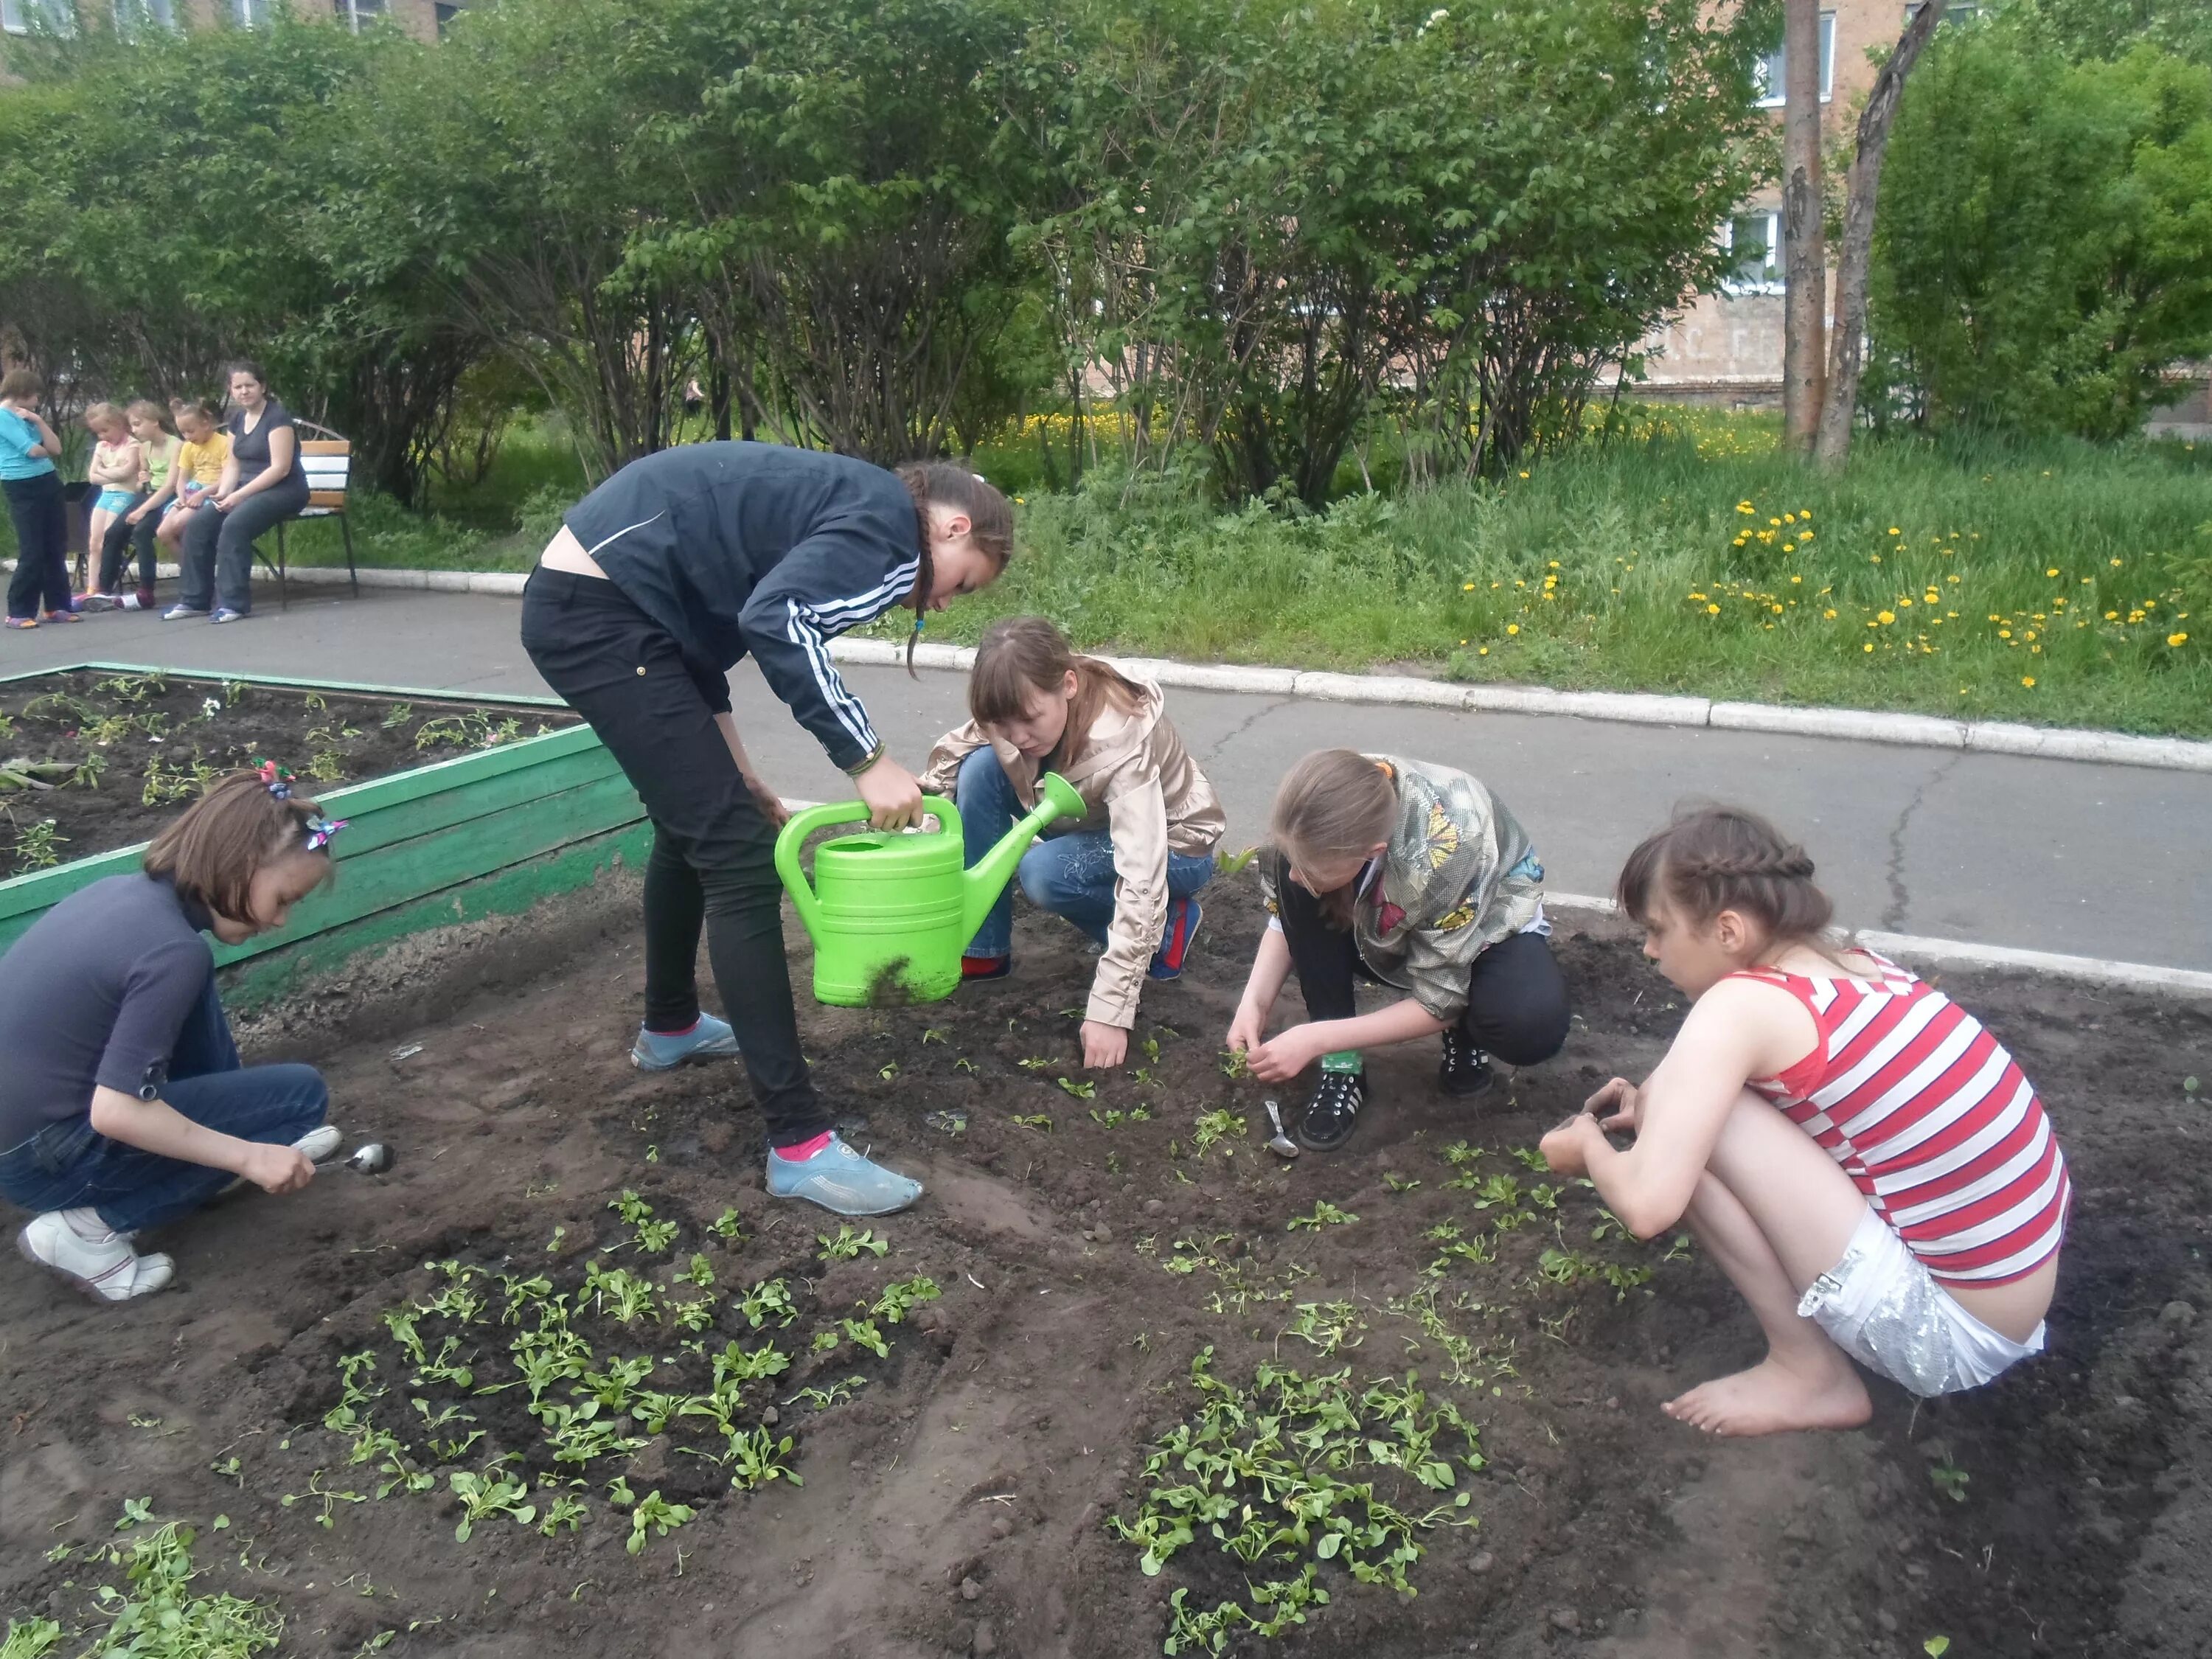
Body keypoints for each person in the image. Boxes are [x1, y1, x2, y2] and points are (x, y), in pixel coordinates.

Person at [520, 442, 1011, 1217]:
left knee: (706, 823)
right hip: (603, 613)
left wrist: (738, 768)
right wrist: (868, 760)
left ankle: (673, 1024)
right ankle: (800, 1145)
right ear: (952, 528)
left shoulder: (842, 508)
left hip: (623, 612)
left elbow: (710, 636)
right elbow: (779, 621)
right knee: (742, 860)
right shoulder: (891, 527)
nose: (941, 603)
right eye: (963, 582)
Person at [1539, 806, 2070, 1436]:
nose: (1651, 951)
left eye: (1657, 930)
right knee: (1688, 1113)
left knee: (1702, 1131)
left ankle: (1808, 1374)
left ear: (1729, 929)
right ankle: (1812, 1363)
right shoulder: (1855, 967)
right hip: (2011, 1289)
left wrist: (1588, 1149)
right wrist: (1657, 1107)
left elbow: (1648, 1206)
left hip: (1947, 1335)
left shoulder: (1741, 1005)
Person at [0, 767, 347, 1302]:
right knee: (301, 1098)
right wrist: (248, 1156)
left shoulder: (127, 899)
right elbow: (115, 1112)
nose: (281, 921)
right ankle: (87, 1231)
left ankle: (230, 1141)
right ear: (240, 866)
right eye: (283, 899)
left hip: (27, 1135)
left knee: (195, 978)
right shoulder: (171, 952)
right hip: (45, 1156)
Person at [1227, 748, 1569, 1151]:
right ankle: (1343, 1066)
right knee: (1297, 885)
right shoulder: (1315, 813)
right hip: (1399, 912)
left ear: (1372, 851)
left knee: (1529, 1025)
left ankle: (1467, 1031)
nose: (1295, 877)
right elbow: (1287, 917)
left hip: (1486, 920)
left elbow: (1438, 1000)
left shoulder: (1447, 849)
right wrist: (1254, 1002)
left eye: (1312, 871)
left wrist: (1316, 1039)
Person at [922, 616, 1222, 1068]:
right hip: (1086, 821)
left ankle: (1167, 933)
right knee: (981, 770)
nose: (1018, 737)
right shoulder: (1020, 705)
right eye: (1003, 723)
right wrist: (916, 826)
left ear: (1068, 684)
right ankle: (983, 949)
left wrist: (1111, 1011)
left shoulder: (1121, 743)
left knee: (1044, 873)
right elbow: (954, 758)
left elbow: (1141, 872)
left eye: (1028, 720)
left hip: (1176, 843)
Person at [167, 363, 309, 624]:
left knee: (234, 525)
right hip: (245, 488)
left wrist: (239, 496)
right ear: (231, 391)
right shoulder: (237, 419)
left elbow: (280, 468)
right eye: (238, 387)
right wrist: (224, 494)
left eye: (250, 385)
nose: (244, 391)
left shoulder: (278, 418)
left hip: (284, 490)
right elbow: (233, 464)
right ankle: (194, 600)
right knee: (199, 523)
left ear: (262, 387)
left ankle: (233, 604)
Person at [87, 400, 181, 612]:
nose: (135, 430)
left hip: (169, 496)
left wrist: (142, 510)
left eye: (138, 424)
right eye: (133, 425)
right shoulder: (144, 447)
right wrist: (142, 479)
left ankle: (146, 591)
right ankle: (104, 589)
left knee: (141, 532)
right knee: (113, 532)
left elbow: (169, 486)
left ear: (155, 422)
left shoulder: (175, 445)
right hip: (148, 495)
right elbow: (143, 482)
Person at [1, 369, 77, 630]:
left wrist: (39, 421)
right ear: (22, 393)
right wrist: (45, 450)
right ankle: (19, 611)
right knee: (32, 549)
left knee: (55, 545)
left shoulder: (29, 417)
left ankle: (57, 606)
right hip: (22, 485)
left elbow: (56, 448)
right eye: (35, 396)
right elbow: (32, 450)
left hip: (48, 480)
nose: (37, 400)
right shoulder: (3, 416)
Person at [147, 400, 231, 571]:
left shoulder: (224, 443)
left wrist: (202, 494)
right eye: (183, 433)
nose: (187, 436)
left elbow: (228, 477)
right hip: (192, 491)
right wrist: (181, 496)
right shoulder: (188, 447)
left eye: (191, 431)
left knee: (178, 524)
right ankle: (191, 572)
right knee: (163, 532)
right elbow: (182, 478)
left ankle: (200, 572)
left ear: (206, 424)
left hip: (214, 491)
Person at [80, 403, 143, 599]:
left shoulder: (133, 445)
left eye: (105, 430)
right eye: (98, 432)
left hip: (125, 495)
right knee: (94, 542)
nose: (102, 436)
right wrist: (111, 475)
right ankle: (92, 586)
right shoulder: (102, 446)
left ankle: (109, 581)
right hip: (106, 495)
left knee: (110, 538)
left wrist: (103, 472)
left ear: (119, 424)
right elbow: (92, 477)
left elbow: (127, 473)